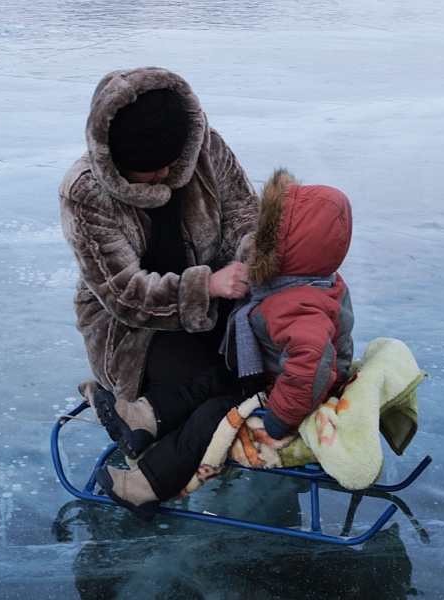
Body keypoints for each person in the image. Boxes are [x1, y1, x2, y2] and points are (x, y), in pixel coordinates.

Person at [93, 168, 355, 521]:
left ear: (293, 245)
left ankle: (147, 487)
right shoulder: (305, 279)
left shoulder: (300, 303)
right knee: (210, 381)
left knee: (210, 416)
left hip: (284, 395)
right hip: (268, 374)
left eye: (269, 232)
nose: (259, 235)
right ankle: (142, 419)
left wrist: (276, 420)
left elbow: (311, 368)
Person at [59, 66, 259, 407]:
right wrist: (206, 287)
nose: (165, 174)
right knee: (193, 388)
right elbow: (125, 295)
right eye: (151, 168)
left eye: (171, 161)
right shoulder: (85, 193)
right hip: (132, 329)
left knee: (267, 357)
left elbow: (243, 210)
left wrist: (251, 261)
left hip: (223, 296)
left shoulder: (203, 146)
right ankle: (125, 414)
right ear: (117, 161)